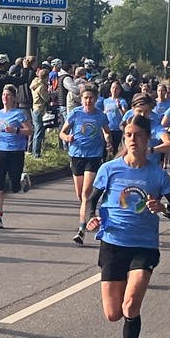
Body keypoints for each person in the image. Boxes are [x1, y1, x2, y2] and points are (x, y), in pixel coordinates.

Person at [83, 117, 170, 338]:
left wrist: (162, 208)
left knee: (130, 305)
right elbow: (91, 201)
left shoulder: (157, 175)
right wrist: (91, 219)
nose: (132, 139)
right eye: (128, 134)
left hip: (144, 245)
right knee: (113, 314)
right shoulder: (110, 169)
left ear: (147, 139)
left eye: (138, 135)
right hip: (113, 242)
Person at [63, 84, 111, 243]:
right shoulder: (75, 114)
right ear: (81, 100)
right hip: (76, 155)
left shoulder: (100, 116)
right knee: (80, 195)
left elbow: (106, 131)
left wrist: (108, 140)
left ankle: (81, 230)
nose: (88, 101)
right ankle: (90, 213)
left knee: (85, 194)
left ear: (96, 99)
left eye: (91, 98)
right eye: (85, 98)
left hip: (94, 155)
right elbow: (62, 132)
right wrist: (67, 138)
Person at [0, 85, 32, 228]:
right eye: (4, 95)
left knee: (14, 187)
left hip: (16, 151)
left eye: (8, 95)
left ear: (14, 98)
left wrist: (16, 130)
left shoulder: (19, 114)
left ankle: (23, 179)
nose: (5, 98)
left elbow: (30, 131)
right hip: (0, 150)